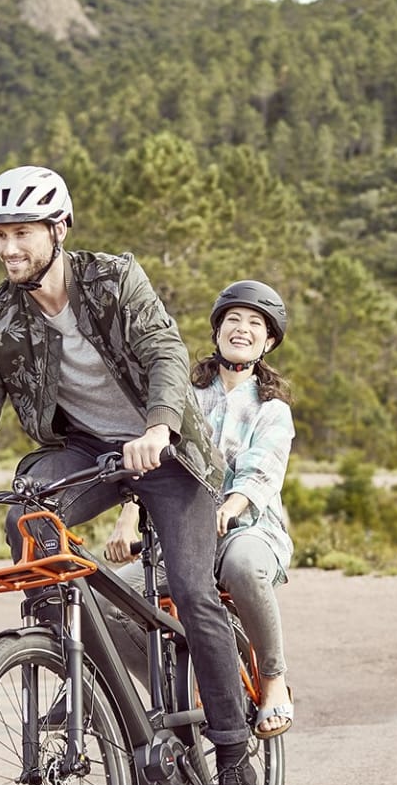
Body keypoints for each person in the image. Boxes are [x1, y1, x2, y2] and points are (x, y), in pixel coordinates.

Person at [0, 165, 259, 785]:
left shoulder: (113, 278)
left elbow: (164, 351)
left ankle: (234, 751)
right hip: (88, 454)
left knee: (191, 591)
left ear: (58, 228)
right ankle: (70, 665)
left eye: (21, 233)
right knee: (27, 515)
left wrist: (159, 426)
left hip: (170, 452)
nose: (8, 248)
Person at [105, 280, 296, 738]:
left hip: (248, 531)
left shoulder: (272, 410)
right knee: (105, 599)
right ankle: (174, 685)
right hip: (180, 535)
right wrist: (128, 517)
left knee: (244, 568)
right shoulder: (182, 396)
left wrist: (228, 507)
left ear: (268, 341)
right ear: (217, 331)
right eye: (233, 319)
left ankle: (274, 683)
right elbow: (150, 458)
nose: (242, 329)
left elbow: (260, 473)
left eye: (255, 324)